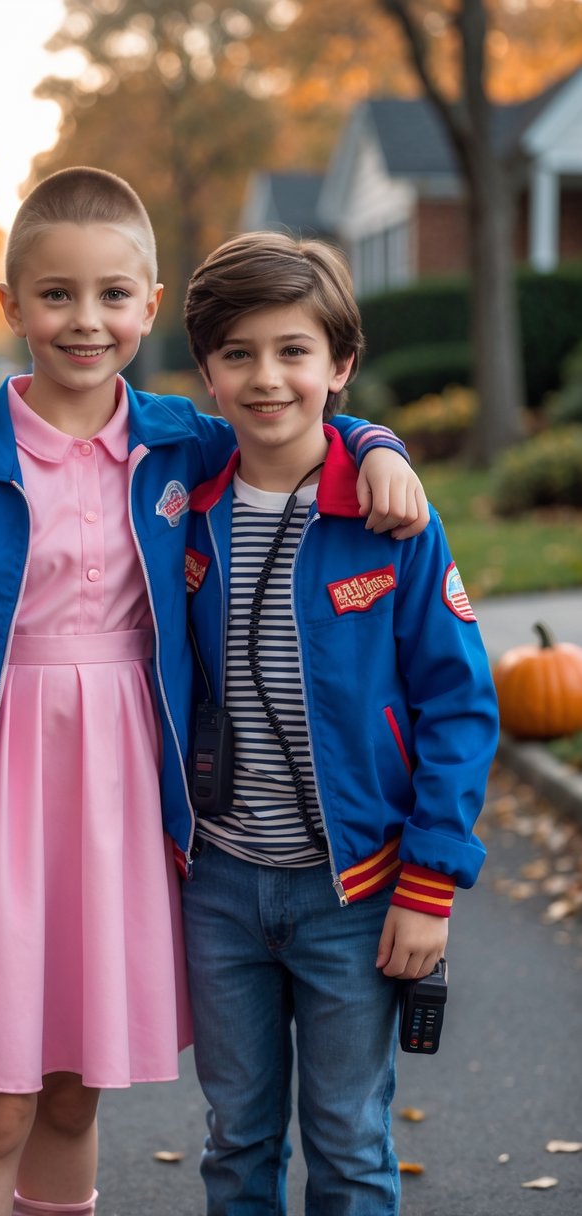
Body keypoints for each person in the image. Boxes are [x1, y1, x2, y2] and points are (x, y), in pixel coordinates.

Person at [0, 169, 427, 1216]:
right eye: (56, 294)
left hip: (128, 811)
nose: (85, 320)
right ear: (11, 304)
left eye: (113, 295)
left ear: (150, 307)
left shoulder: (181, 441)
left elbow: (292, 415)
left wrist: (375, 445)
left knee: (72, 1096)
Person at [179, 231, 499, 1215]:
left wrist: (430, 884)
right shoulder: (176, 501)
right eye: (237, 353)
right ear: (207, 371)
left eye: (292, 351)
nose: (266, 377)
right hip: (221, 885)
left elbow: (458, 702)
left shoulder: (389, 515)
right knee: (236, 1137)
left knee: (351, 1138)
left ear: (340, 365)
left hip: (354, 891)